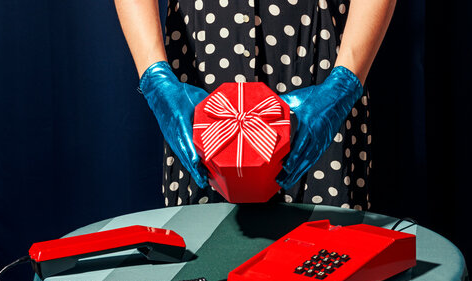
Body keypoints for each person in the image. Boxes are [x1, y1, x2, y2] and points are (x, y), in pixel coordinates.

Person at [114, 0, 395, 210]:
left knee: (328, 266)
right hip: (200, 69)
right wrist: (156, 80)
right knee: (205, 264)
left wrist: (343, 85)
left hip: (320, 70)